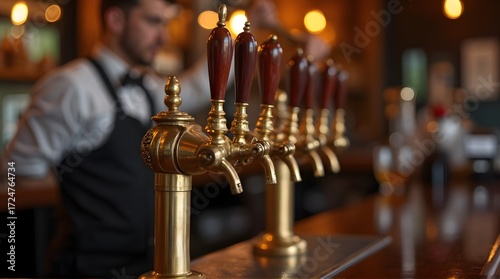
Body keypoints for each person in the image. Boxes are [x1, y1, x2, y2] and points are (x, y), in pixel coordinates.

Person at [0, 0, 331, 276]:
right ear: (115, 19)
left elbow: (201, 87)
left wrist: (246, 34)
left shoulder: (147, 84)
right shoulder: (71, 86)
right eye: (153, 21)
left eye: (167, 23)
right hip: (88, 267)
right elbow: (15, 170)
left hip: (145, 263)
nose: (163, 36)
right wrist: (14, 250)